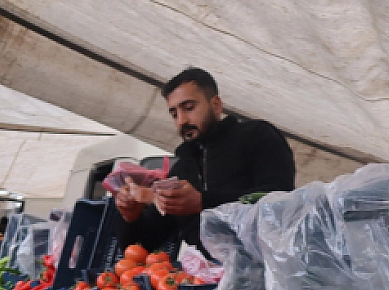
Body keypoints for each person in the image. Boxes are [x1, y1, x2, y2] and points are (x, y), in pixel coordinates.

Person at [113, 67, 296, 250]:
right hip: (211, 267)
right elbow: (142, 246)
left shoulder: (256, 135)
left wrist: (203, 201)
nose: (182, 120)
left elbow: (279, 198)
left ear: (216, 105)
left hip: (270, 259)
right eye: (174, 114)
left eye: (189, 108)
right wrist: (131, 217)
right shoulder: (182, 170)